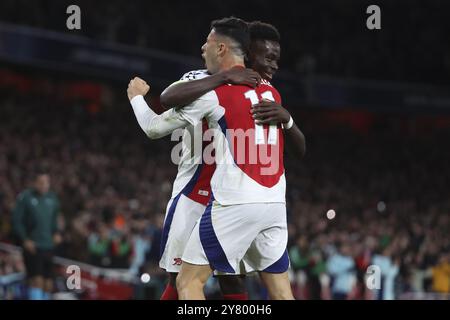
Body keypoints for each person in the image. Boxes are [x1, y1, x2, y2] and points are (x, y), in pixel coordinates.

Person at [127, 16, 298, 300]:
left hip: (210, 197)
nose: (202, 48)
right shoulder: (265, 92)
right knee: (233, 282)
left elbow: (155, 125)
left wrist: (135, 98)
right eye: (266, 56)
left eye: (208, 43)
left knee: (185, 281)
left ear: (224, 49)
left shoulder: (212, 86)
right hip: (242, 197)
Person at [12, 169, 61, 300]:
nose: (44, 185)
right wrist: (25, 239)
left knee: (49, 283)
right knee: (36, 280)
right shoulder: (26, 197)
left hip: (48, 245)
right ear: (35, 183)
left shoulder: (52, 198)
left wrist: (56, 232)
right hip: (33, 246)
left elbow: (54, 220)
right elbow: (16, 221)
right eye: (41, 182)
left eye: (47, 182)